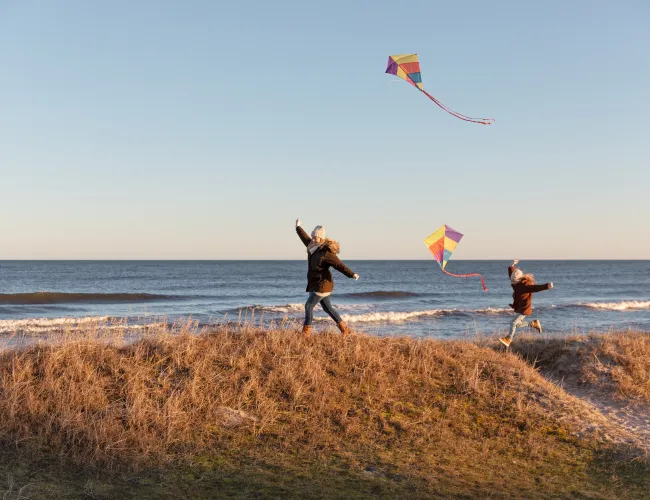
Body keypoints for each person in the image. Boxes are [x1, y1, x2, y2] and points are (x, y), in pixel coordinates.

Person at [295, 218, 359, 336]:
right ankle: (345, 329)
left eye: (316, 237)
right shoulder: (312, 246)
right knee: (327, 308)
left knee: (308, 306)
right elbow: (304, 237)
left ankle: (305, 333)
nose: (314, 239)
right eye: (313, 236)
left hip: (323, 284)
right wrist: (298, 227)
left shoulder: (326, 252)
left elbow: (339, 265)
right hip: (316, 283)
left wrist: (352, 274)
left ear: (321, 238)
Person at [499, 260, 553, 347]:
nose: (512, 283)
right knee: (517, 324)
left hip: (524, 308)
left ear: (519, 279)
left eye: (513, 281)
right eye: (512, 281)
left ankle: (509, 339)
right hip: (519, 306)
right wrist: (512, 265)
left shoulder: (525, 286)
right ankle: (533, 323)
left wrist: (547, 286)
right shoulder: (515, 283)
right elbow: (511, 275)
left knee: (513, 323)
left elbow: (536, 288)